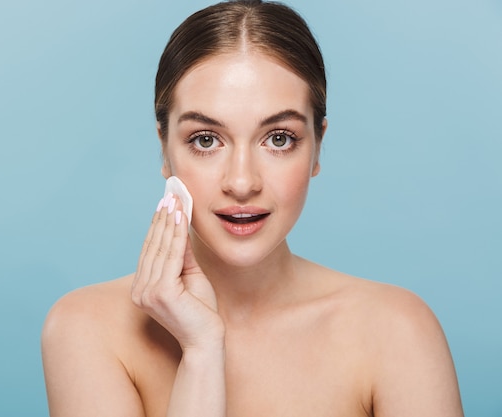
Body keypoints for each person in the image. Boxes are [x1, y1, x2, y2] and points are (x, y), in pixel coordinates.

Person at [41, 1, 464, 415]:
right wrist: (202, 352)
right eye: (205, 139)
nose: (242, 183)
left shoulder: (397, 331)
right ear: (164, 151)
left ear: (317, 147)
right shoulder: (85, 328)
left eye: (279, 138)